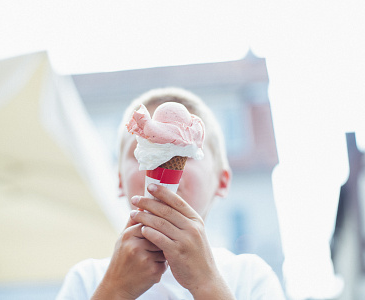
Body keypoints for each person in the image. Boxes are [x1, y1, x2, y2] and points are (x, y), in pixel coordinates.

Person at [56, 87, 285, 300]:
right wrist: (116, 289)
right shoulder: (87, 280)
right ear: (119, 182)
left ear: (221, 182)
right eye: (141, 152)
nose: (162, 161)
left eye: (185, 154)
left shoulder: (250, 277)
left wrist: (206, 283)